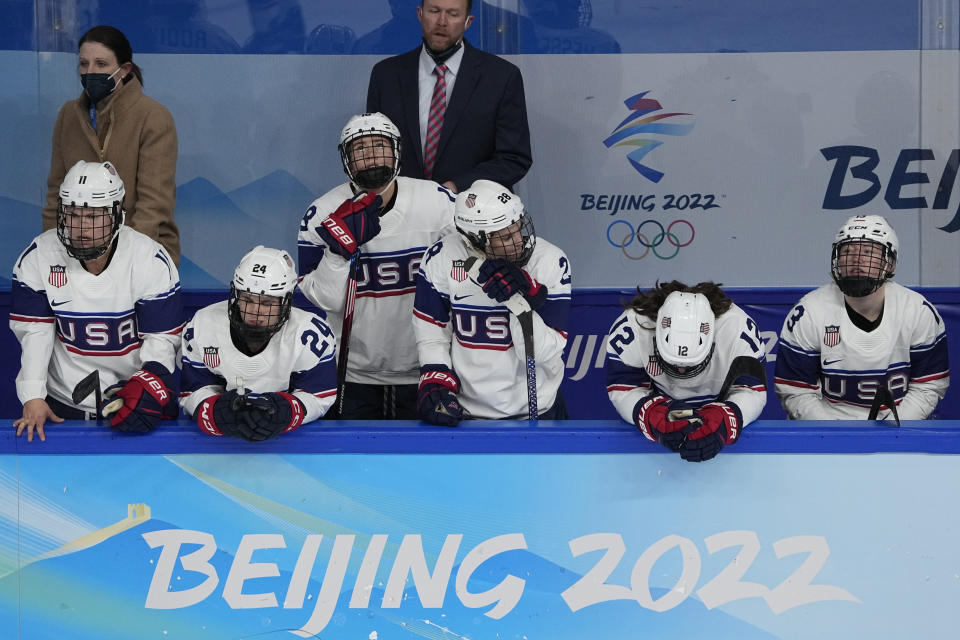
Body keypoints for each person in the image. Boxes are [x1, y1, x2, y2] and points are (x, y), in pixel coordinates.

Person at [298, 112, 456, 419]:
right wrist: (337, 253)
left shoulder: (438, 202)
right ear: (346, 159)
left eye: (379, 145)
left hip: (426, 372)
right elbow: (327, 301)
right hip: (352, 374)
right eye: (360, 148)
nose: (371, 156)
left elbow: (462, 285)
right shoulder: (321, 213)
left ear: (397, 152)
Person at [11, 160, 182, 442]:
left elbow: (161, 341)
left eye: (93, 216)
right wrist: (32, 396)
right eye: (73, 215)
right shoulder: (39, 255)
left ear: (117, 215)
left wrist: (147, 387)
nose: (81, 227)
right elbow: (35, 334)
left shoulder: (150, 260)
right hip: (62, 403)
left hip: (132, 399)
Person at [413, 179, 571, 423]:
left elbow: (542, 352)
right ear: (475, 239)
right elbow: (433, 333)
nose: (519, 240)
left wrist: (521, 297)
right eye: (506, 237)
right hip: (469, 415)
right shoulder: (441, 257)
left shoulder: (550, 260)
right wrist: (437, 377)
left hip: (538, 412)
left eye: (519, 227)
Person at [775, 215, 949, 420]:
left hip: (897, 426)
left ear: (890, 264)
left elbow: (927, 386)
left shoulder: (917, 311)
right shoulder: (809, 311)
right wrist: (834, 435)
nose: (857, 259)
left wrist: (894, 430)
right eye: (847, 251)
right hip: (829, 430)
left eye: (868, 252)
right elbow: (797, 392)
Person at [42, 25, 180, 264]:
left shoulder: (153, 117)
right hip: (78, 252)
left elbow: (154, 204)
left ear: (124, 70)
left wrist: (119, 262)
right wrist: (51, 252)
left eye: (101, 64)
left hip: (141, 253)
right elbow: (56, 192)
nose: (90, 71)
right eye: (84, 64)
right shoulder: (68, 115)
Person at [366, 0, 532, 192]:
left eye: (453, 14)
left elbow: (514, 158)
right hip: (401, 211)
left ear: (468, 22)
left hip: (472, 212)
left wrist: (456, 186)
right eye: (434, 11)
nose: (442, 22)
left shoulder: (501, 77)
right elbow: (374, 149)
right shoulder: (386, 75)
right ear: (420, 14)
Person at [180, 246, 337, 440]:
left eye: (267, 303)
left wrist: (287, 411)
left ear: (286, 301)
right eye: (247, 299)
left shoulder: (309, 334)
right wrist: (216, 411)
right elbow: (192, 390)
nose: (255, 311)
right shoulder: (203, 324)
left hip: (289, 448)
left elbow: (319, 396)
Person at [605, 282, 766, 462]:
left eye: (690, 365)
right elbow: (624, 388)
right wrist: (652, 414)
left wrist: (725, 419)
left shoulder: (738, 331)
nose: (681, 370)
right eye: (674, 363)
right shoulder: (633, 327)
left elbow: (752, 391)